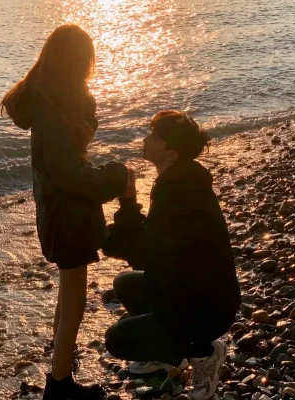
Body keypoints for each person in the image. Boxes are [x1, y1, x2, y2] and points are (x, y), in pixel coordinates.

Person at [1, 25, 128, 400]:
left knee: (67, 295)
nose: (89, 69)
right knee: (73, 302)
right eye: (86, 62)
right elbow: (71, 175)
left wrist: (85, 114)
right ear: (73, 63)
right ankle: (59, 386)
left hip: (61, 212)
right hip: (67, 217)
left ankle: (61, 370)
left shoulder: (53, 103)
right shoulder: (51, 115)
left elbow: (69, 160)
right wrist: (115, 176)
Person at [102, 110, 241, 400]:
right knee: (125, 283)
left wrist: (127, 202)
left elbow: (144, 253)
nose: (146, 139)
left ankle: (204, 353)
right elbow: (154, 244)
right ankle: (165, 354)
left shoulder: (179, 190)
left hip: (205, 306)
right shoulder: (181, 179)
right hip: (190, 291)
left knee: (117, 340)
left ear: (171, 153)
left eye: (155, 136)